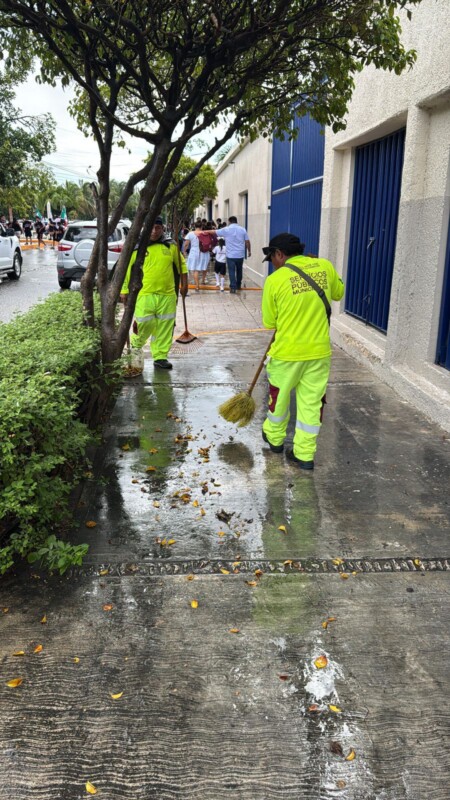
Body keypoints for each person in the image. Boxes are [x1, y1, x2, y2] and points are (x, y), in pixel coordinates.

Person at [261, 232, 344, 470]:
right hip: (319, 353)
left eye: (272, 259)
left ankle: (275, 441)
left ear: (279, 254)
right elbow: (339, 293)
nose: (273, 265)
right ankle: (304, 455)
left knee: (279, 399)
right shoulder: (324, 266)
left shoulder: (275, 281)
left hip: (286, 353)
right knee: (311, 404)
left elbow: (269, 322)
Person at [120, 217, 188, 370]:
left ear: (163, 229)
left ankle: (160, 357)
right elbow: (126, 270)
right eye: (151, 228)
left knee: (165, 327)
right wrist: (124, 290)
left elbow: (182, 266)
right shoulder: (137, 248)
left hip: (168, 295)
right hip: (145, 294)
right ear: (144, 228)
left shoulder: (170, 246)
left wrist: (184, 285)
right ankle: (136, 351)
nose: (154, 231)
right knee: (143, 323)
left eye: (157, 228)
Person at [219, 215, 251, 293]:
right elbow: (247, 241)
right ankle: (238, 285)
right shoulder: (243, 229)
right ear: (236, 221)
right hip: (240, 255)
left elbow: (215, 232)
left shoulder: (226, 229)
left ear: (229, 221)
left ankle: (233, 287)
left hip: (230, 255)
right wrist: (249, 251)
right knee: (239, 270)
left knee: (231, 271)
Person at [183, 220, 209, 293]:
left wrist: (184, 251)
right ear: (201, 226)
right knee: (204, 267)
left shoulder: (191, 234)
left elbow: (186, 244)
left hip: (194, 252)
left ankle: (197, 286)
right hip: (204, 252)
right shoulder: (205, 233)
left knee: (195, 270)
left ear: (195, 226)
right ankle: (203, 280)